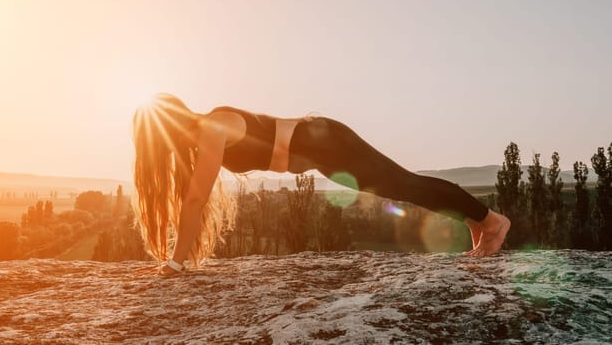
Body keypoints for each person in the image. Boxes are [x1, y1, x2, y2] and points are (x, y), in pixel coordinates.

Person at [132, 93, 510, 277]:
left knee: (404, 184)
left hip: (327, 143)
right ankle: (477, 223)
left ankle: (491, 220)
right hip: (324, 156)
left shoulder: (210, 127)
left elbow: (197, 198)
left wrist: (177, 264)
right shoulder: (205, 133)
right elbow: (194, 194)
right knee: (401, 187)